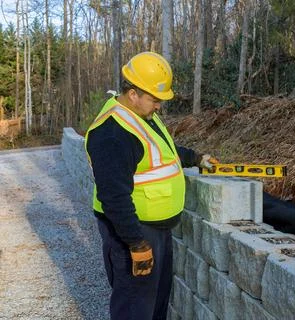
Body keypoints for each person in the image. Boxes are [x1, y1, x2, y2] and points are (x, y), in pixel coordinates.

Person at [84, 51, 217, 320]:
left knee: (154, 302)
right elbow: (114, 196)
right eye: (155, 99)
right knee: (134, 306)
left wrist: (195, 158)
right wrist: (136, 243)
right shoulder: (112, 133)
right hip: (132, 231)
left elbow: (159, 150)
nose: (159, 106)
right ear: (133, 93)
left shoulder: (140, 115)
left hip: (154, 229)